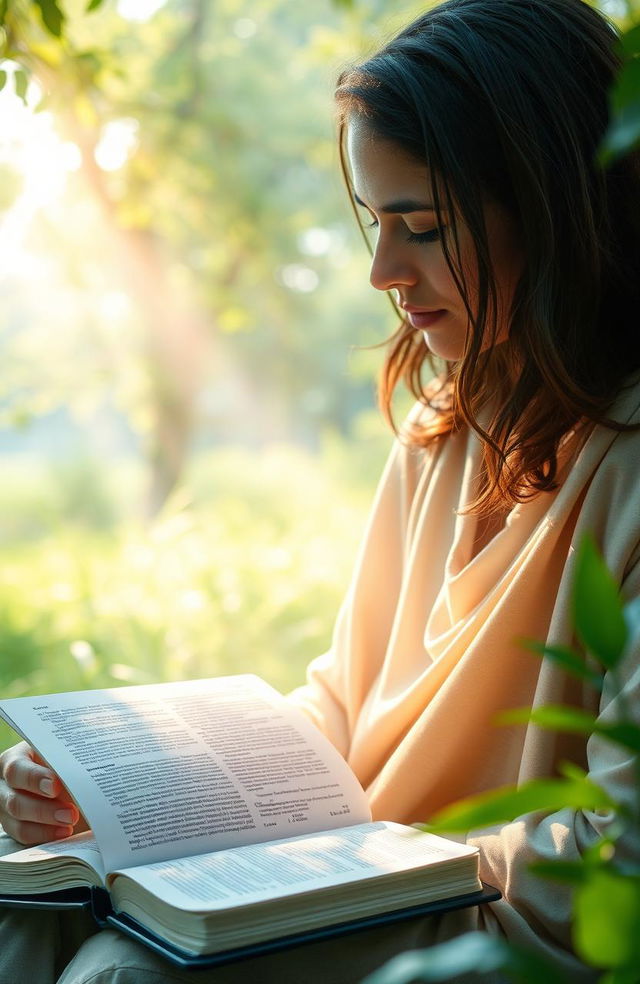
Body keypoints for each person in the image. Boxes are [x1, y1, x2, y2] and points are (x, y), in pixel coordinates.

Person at [2, 0, 640, 980]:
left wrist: (380, 874)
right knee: (28, 886)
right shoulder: (439, 434)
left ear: (551, 208)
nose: (382, 270)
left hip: (480, 921)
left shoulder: (626, 465)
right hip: (344, 874)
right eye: (374, 223)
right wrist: (124, 791)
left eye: (419, 227)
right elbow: (343, 711)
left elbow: (615, 858)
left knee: (122, 974)